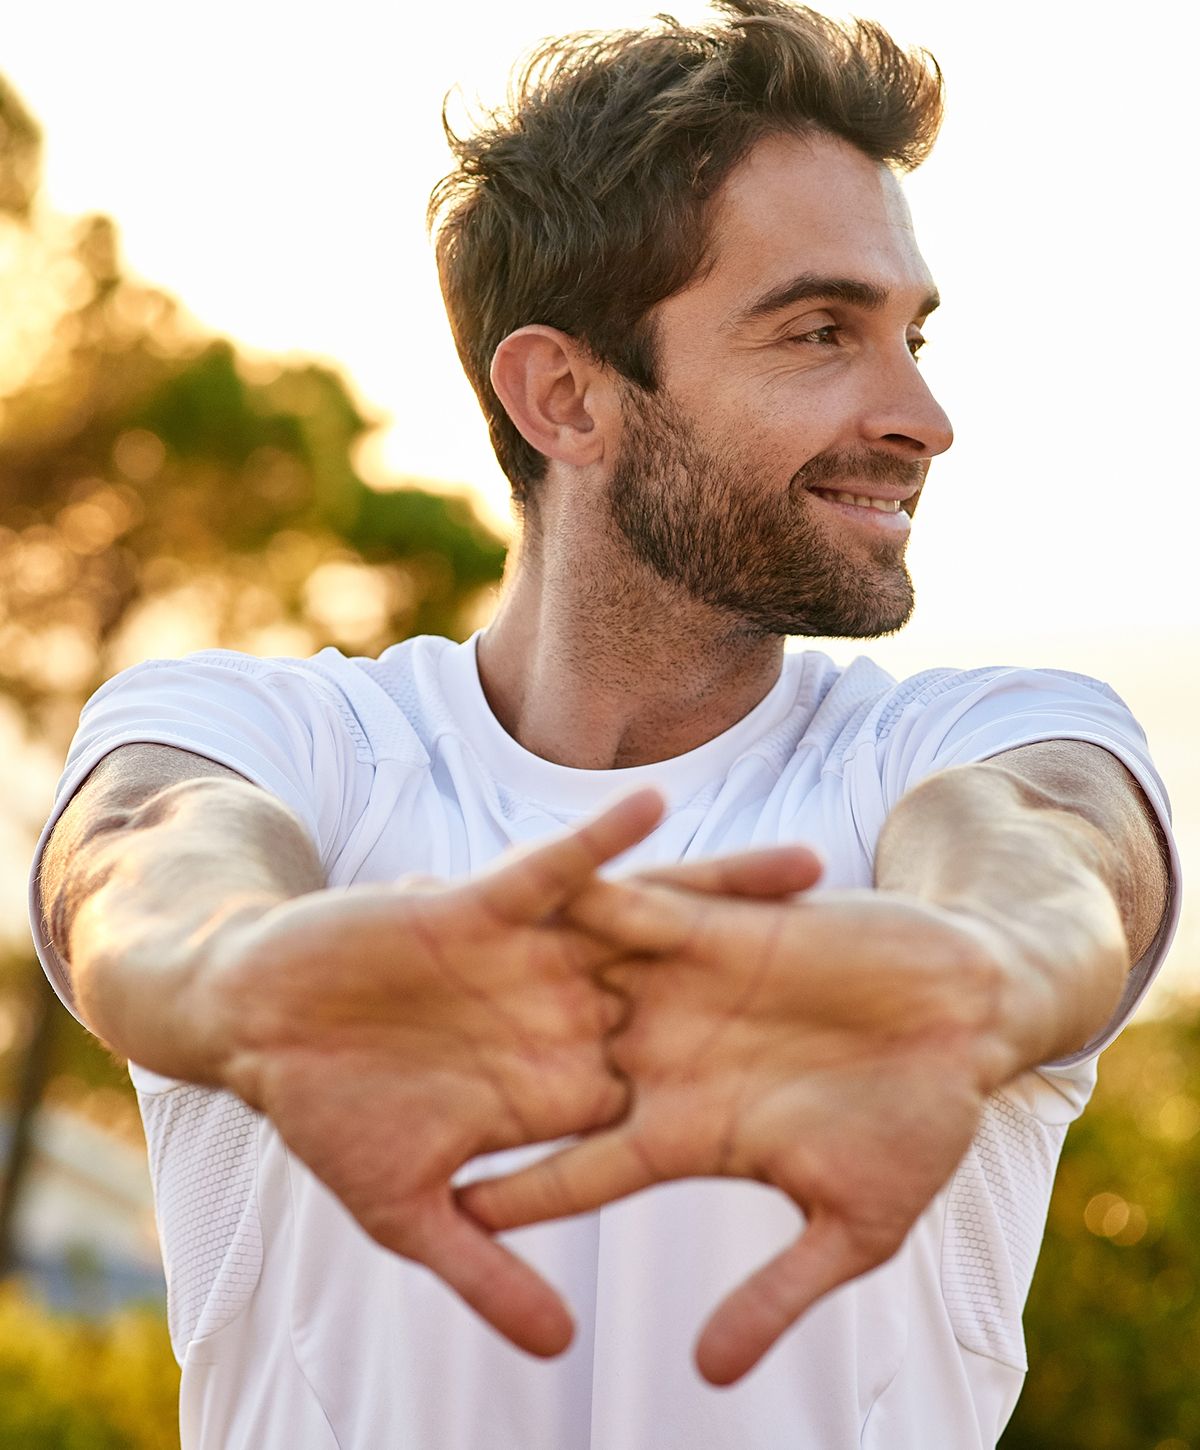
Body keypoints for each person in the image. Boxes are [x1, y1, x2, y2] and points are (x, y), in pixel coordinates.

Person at [29, 2, 1178, 1446]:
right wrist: (239, 968)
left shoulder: (965, 746)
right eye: (823, 330)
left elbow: (1054, 842)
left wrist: (990, 962)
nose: (923, 413)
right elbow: (143, 853)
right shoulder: (270, 733)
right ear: (564, 393)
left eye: (913, 333)